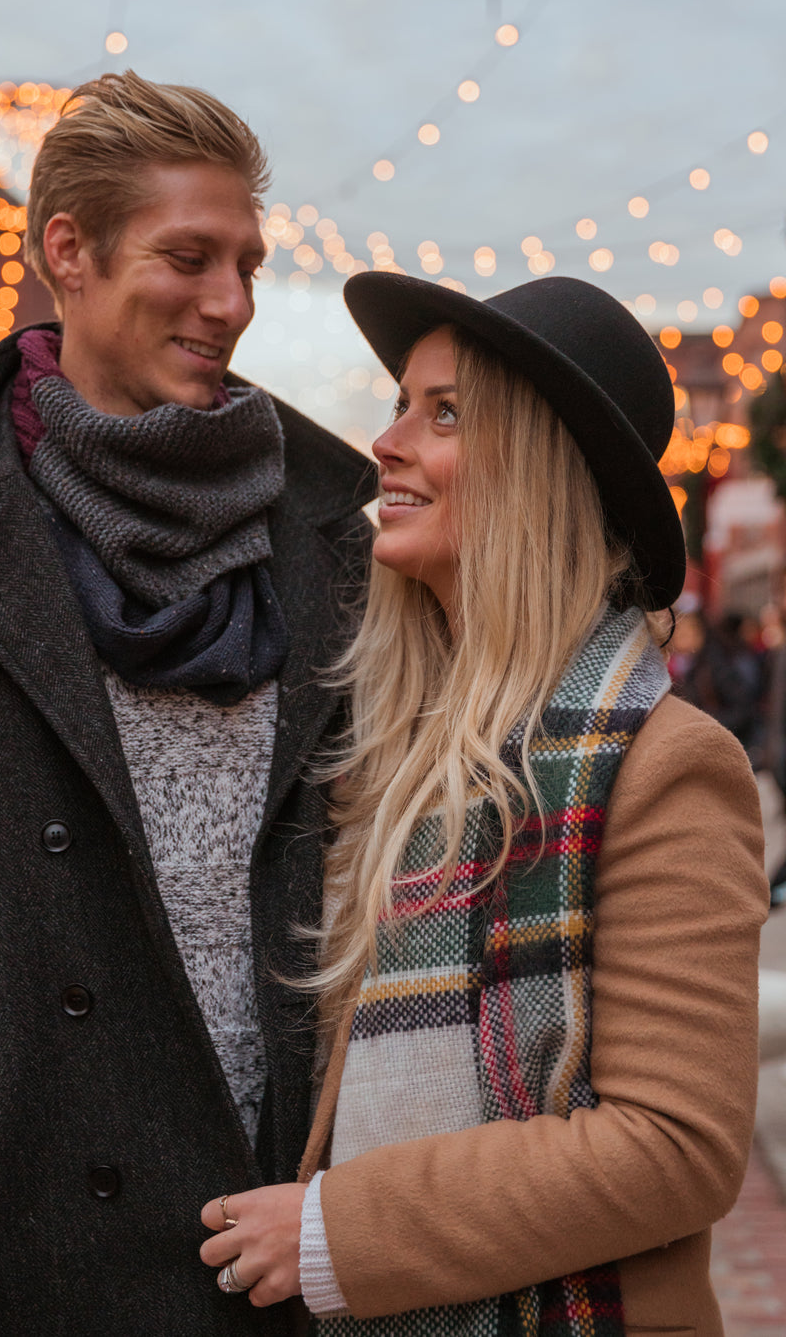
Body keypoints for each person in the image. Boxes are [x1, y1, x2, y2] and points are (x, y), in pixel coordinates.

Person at [0, 72, 374, 1335]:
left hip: (273, 1256)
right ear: (71, 253)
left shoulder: (338, 552)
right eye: (189, 256)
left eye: (249, 264)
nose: (231, 303)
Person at [199, 275, 769, 1336]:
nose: (387, 440)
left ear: (537, 469)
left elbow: (675, 1144)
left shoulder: (663, 765)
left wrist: (335, 1233)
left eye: (443, 412)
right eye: (401, 402)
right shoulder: (394, 744)